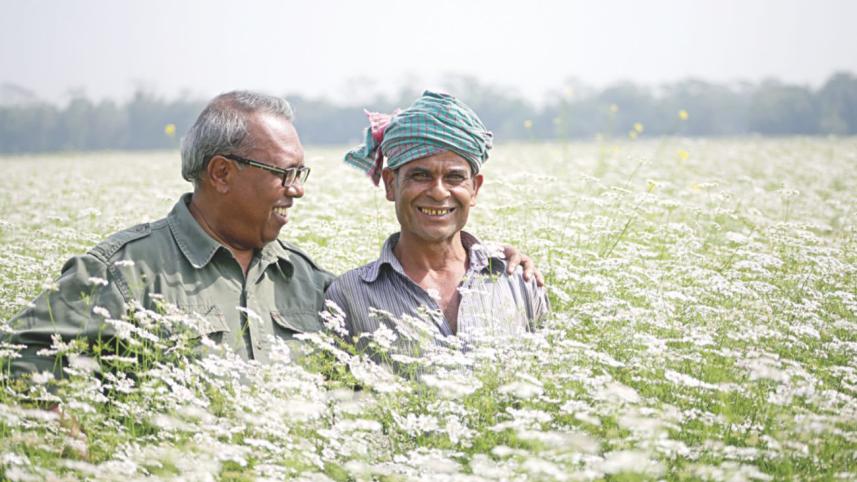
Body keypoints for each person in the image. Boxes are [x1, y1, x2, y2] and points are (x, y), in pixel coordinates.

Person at [4, 90, 540, 379]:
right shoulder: (125, 269)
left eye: (299, 174)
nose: (296, 191)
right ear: (221, 173)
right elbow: (18, 364)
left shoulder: (312, 284)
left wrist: (492, 258)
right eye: (284, 175)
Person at [325, 91, 548, 354]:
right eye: (420, 175)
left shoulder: (518, 281)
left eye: (454, 178)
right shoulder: (348, 297)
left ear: (475, 189)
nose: (439, 192)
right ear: (390, 184)